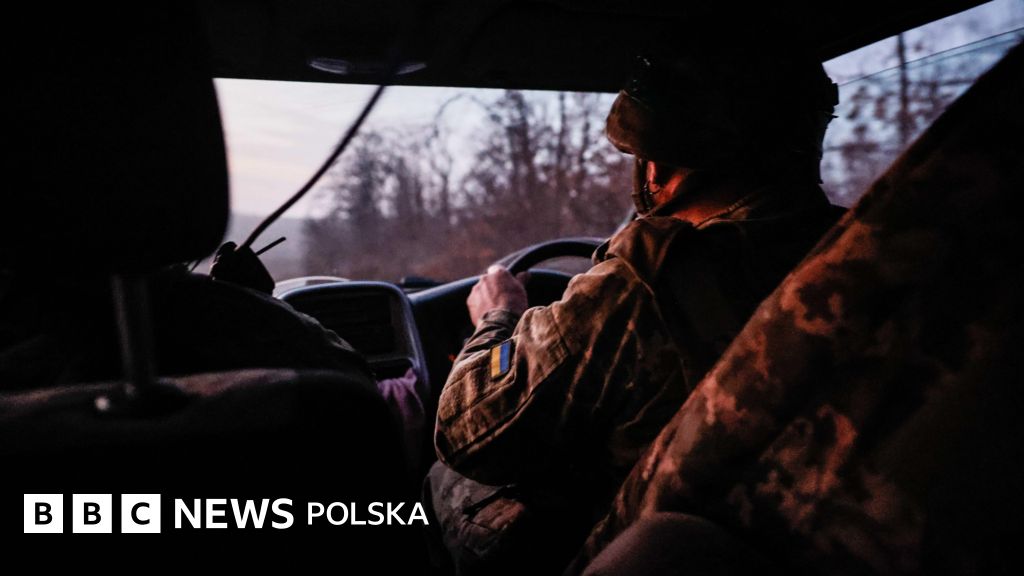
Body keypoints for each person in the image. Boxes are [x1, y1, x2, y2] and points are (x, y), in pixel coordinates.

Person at [426, 40, 844, 574]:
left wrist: (497, 317)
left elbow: (465, 431)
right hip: (789, 542)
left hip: (641, 547)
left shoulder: (643, 281)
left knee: (445, 476)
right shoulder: (859, 252)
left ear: (657, 169)